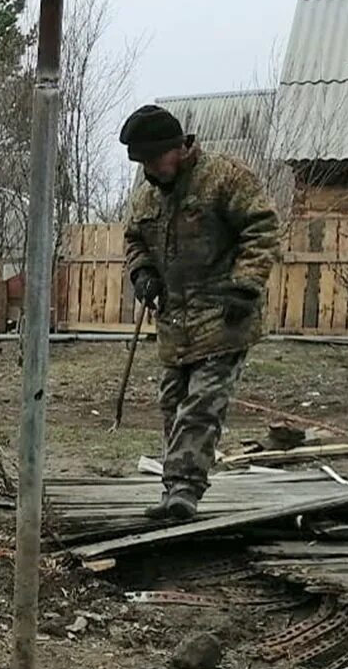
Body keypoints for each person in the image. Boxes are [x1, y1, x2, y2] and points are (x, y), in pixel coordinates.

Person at [120, 104, 280, 522]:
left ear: (178, 148)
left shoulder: (225, 178)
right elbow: (134, 239)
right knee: (173, 403)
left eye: (156, 159)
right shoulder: (147, 196)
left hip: (224, 313)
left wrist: (246, 285)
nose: (151, 170)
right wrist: (143, 273)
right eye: (143, 164)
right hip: (176, 321)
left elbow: (262, 228)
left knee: (202, 404)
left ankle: (184, 491)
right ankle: (175, 486)